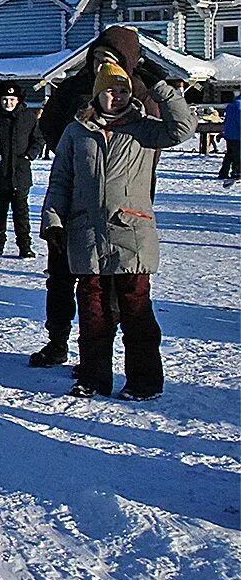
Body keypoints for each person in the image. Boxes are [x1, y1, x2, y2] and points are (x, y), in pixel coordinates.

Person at [41, 63, 196, 400]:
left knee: (135, 311)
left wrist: (161, 88)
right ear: (98, 93)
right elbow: (61, 180)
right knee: (93, 313)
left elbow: (184, 127)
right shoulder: (77, 132)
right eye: (110, 90)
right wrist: (53, 220)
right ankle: (93, 378)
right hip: (87, 233)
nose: (117, 96)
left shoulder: (145, 129)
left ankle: (144, 381)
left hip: (132, 233)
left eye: (123, 90)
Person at [28, 26, 153, 368]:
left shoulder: (139, 95)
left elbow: (161, 140)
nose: (100, 67)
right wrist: (77, 153)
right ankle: (58, 340)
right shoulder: (73, 89)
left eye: (109, 61)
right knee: (61, 276)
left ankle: (101, 359)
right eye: (97, 58)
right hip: (74, 200)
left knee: (110, 286)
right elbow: (51, 128)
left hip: (122, 209)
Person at [0, 81, 44, 258]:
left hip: (20, 172)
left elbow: (38, 139)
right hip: (0, 172)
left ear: (18, 100)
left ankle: (25, 246)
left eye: (12, 99)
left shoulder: (28, 117)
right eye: (5, 99)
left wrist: (30, 155)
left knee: (21, 212)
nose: (8, 103)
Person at [219, 93, 239, 184]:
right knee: (238, 155)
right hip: (238, 135)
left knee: (230, 154)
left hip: (230, 134)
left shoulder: (232, 105)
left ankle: (224, 172)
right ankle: (237, 172)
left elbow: (226, 120)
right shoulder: (239, 106)